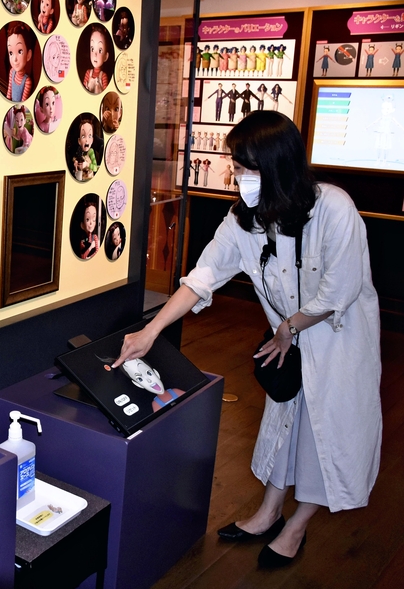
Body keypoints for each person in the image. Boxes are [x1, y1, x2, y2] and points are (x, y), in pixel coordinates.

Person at [113, 111, 381, 569]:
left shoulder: (334, 208)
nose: (237, 177)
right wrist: (150, 332)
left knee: (325, 435)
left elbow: (339, 290)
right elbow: (203, 276)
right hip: (289, 342)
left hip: (338, 341)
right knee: (286, 420)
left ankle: (296, 527)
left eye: (244, 168)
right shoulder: (243, 221)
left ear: (277, 165)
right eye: (235, 167)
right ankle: (269, 513)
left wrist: (288, 327)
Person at [6, 22, 35, 102]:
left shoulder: (27, 81)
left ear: (28, 55)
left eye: (20, 51)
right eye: (11, 53)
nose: (15, 59)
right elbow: (9, 92)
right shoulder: (11, 72)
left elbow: (23, 101)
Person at [83, 24, 110, 94]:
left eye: (100, 50)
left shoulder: (103, 76)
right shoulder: (88, 73)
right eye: (92, 49)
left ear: (106, 56)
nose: (95, 54)